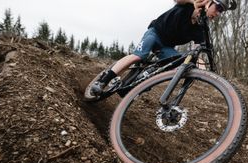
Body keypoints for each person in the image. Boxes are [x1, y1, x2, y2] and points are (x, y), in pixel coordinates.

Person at [90, 0, 237, 96]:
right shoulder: (187, 6)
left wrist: (203, 69)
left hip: (166, 46)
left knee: (178, 65)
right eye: (217, 7)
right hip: (155, 33)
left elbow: (198, 50)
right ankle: (103, 80)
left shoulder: (200, 28)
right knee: (139, 55)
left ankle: (143, 80)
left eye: (221, 11)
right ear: (208, 2)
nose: (218, 13)